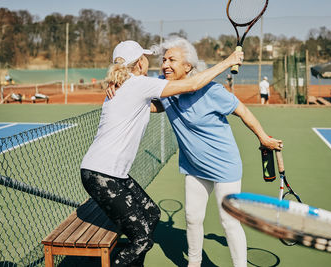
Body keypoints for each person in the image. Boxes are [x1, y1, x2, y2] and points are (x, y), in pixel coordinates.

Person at [107, 37, 282, 267]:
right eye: (164, 60)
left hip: (224, 166)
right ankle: (194, 263)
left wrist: (263, 137)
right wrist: (119, 87)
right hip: (193, 166)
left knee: (229, 222)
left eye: (172, 60)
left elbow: (243, 111)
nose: (165, 64)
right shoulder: (163, 85)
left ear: (188, 66)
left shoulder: (212, 90)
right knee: (192, 218)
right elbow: (154, 103)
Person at [81, 40, 243, 267]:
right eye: (146, 57)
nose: (155, 62)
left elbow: (153, 105)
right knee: (142, 238)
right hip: (101, 174)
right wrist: (229, 61)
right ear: (139, 63)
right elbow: (193, 84)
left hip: (110, 173)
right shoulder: (139, 84)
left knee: (152, 214)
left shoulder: (129, 85)